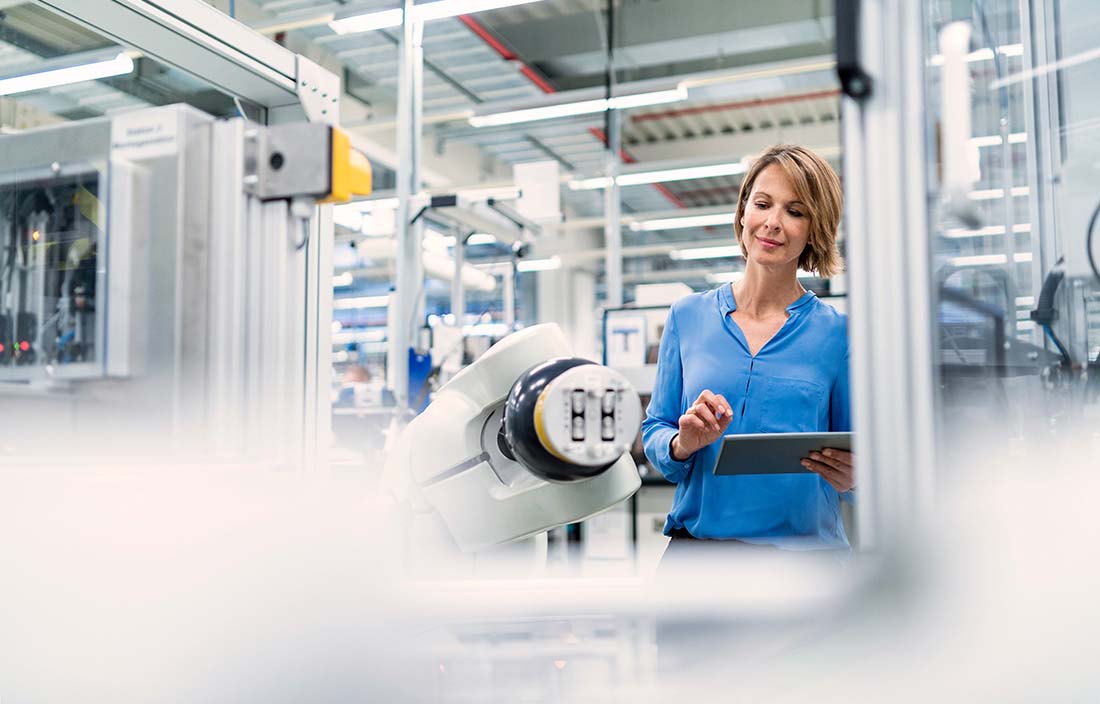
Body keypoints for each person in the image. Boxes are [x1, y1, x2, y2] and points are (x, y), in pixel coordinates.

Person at [642, 144, 855, 553]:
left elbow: (858, 454)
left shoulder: (838, 335)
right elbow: (656, 429)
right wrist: (681, 443)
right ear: (742, 212)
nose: (772, 223)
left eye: (795, 212)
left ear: (815, 228)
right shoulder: (688, 317)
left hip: (804, 561)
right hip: (700, 555)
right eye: (762, 204)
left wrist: (856, 478)